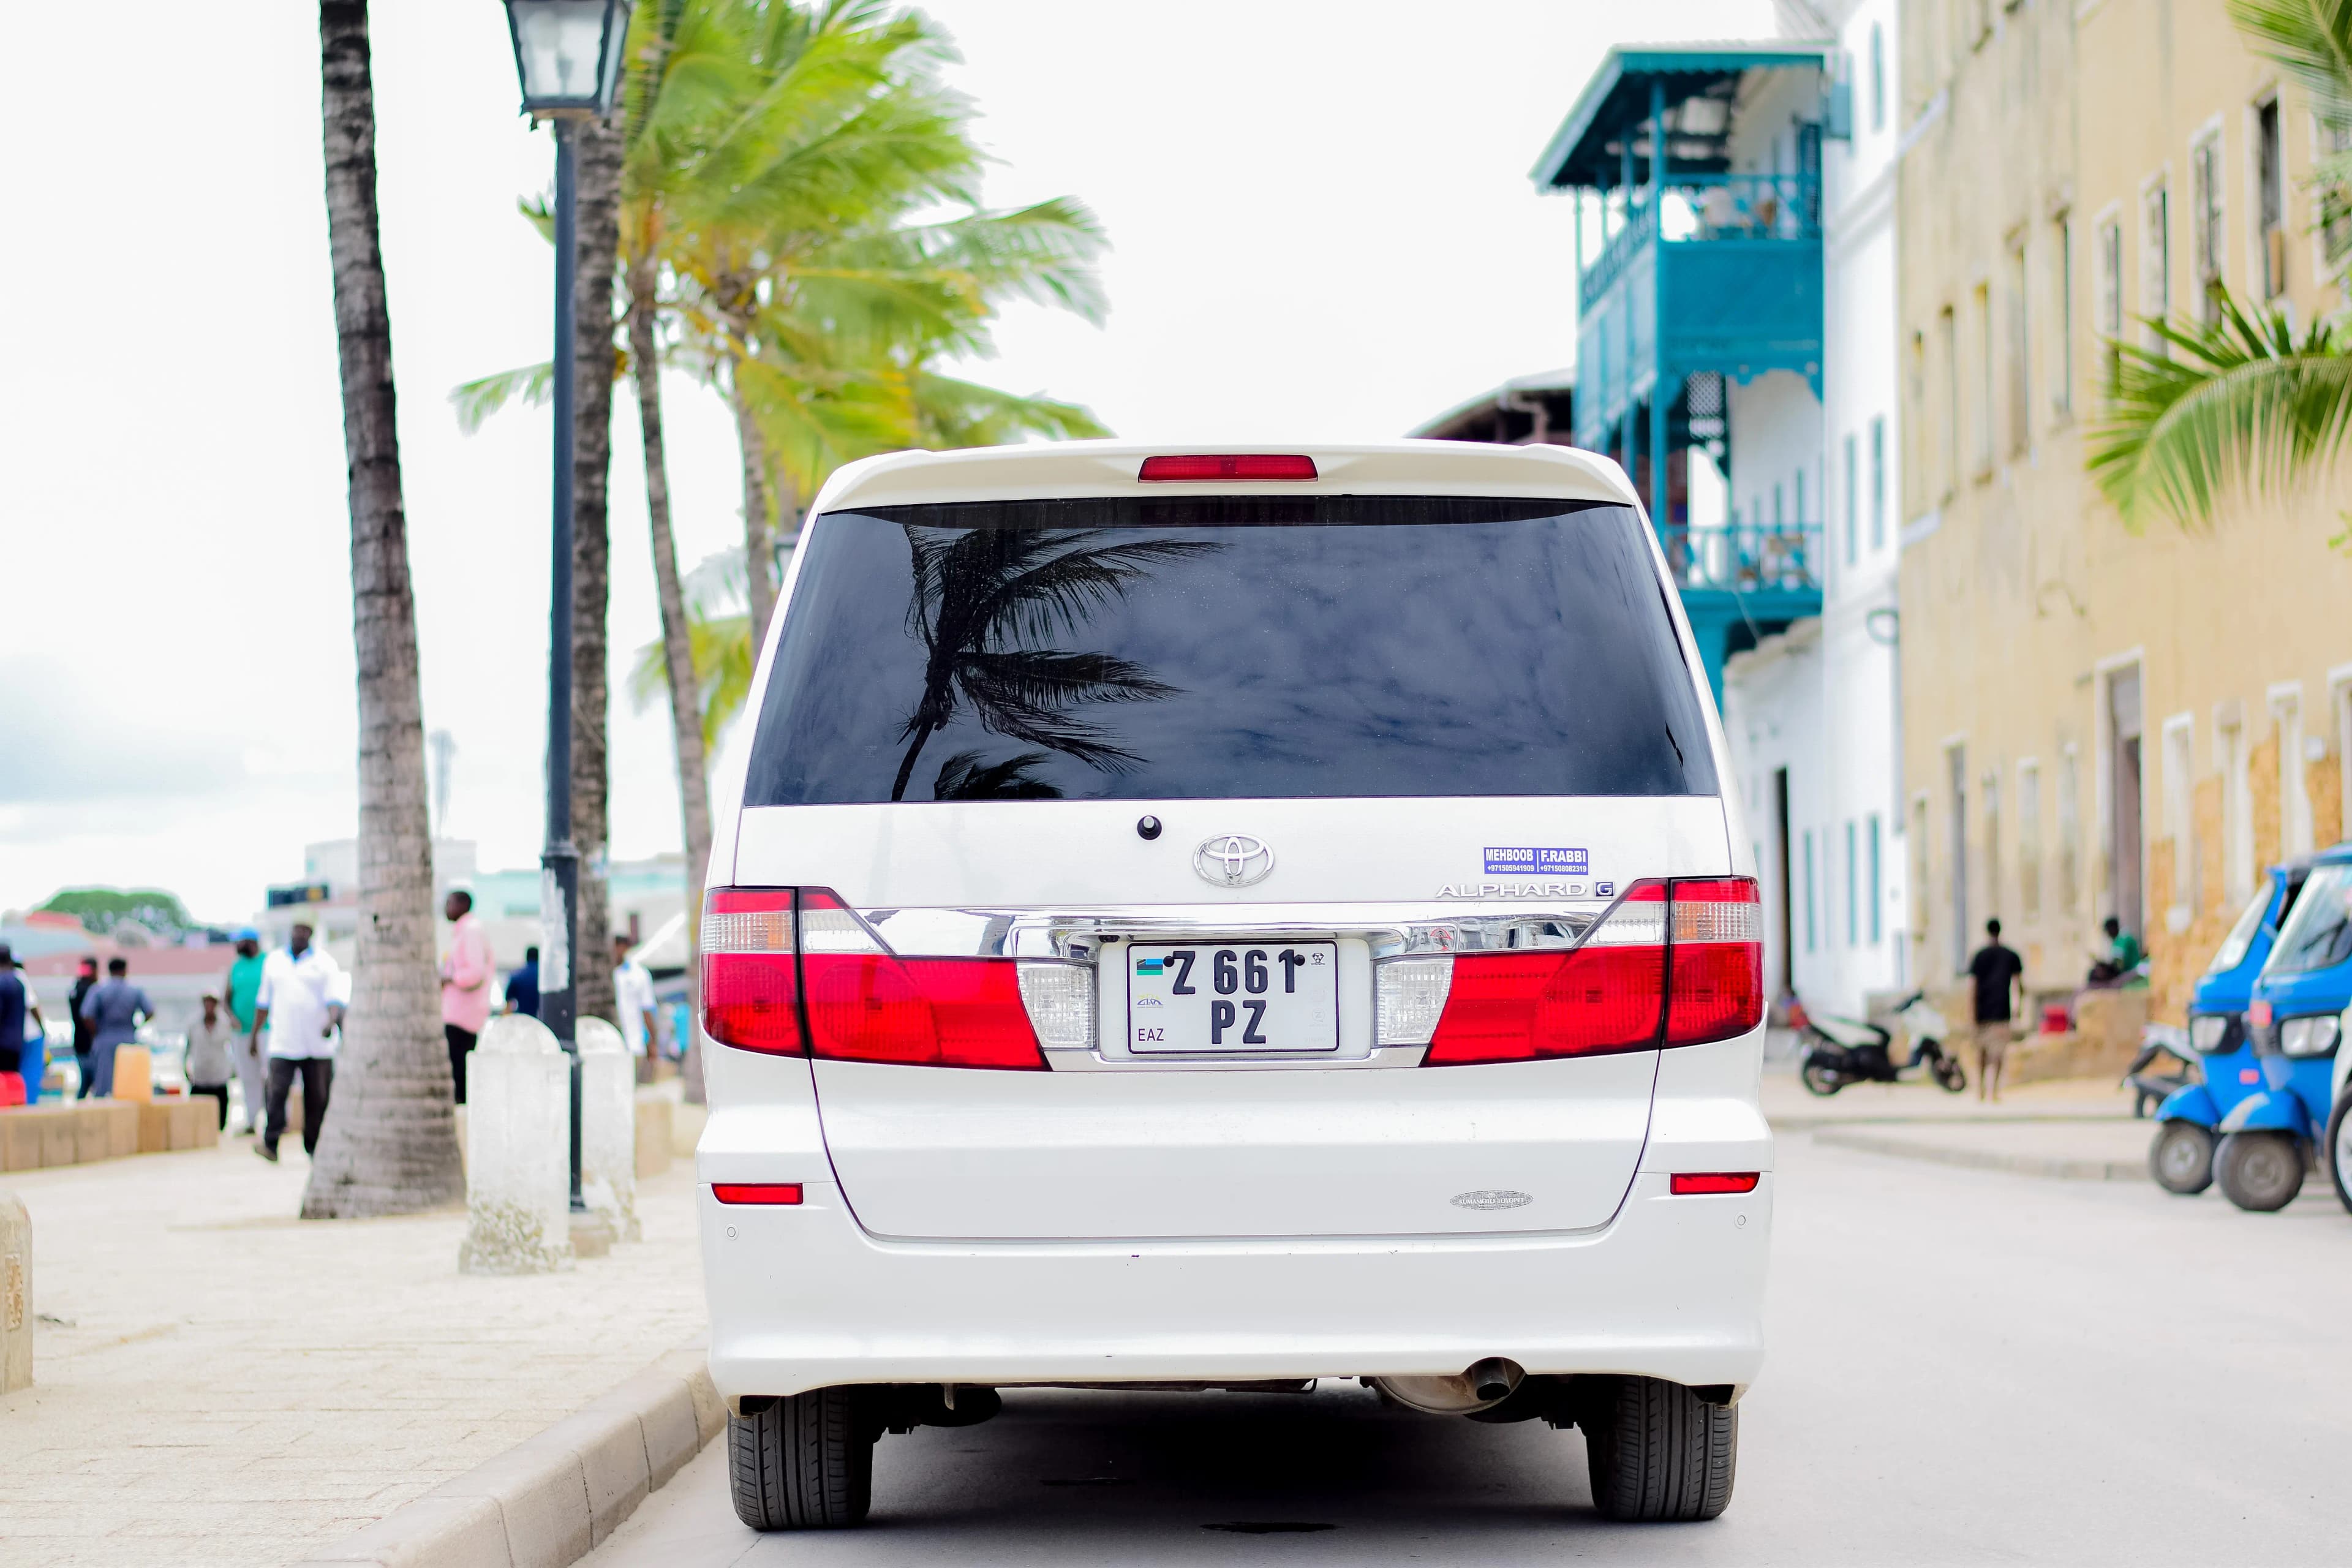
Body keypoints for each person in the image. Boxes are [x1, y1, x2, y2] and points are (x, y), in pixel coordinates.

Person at [251, 921, 344, 1163]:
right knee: (276, 1092)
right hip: (283, 1041)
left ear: (311, 934)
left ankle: (314, 1148)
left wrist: (330, 1022)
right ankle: (270, 1144)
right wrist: (254, 1036)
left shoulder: (325, 963)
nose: (300, 934)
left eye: (305, 930)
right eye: (296, 929)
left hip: (317, 1044)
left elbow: (335, 1000)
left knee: (317, 1099)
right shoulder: (274, 961)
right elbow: (263, 1003)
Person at [439, 889, 496, 1104]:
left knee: (460, 1075)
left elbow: (475, 973)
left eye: (450, 903)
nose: (446, 908)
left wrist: (450, 979)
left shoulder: (471, 930)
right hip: (458, 1014)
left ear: (462, 905)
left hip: (464, 1017)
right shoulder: (464, 931)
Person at [1965, 918, 2027, 1104]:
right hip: (2001, 1010)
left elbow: (1973, 987)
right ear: (2000, 931)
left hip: (1981, 1011)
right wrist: (2018, 1007)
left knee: (1981, 1052)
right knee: (1998, 1053)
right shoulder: (2011, 955)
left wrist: (1971, 1012)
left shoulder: (1979, 956)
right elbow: (2018, 985)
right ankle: (1994, 1090)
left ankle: (1981, 1088)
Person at [79, 957, 155, 1099]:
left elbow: (87, 1015)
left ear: (109, 971)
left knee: (104, 1083)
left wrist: (96, 1032)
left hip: (105, 1038)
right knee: (128, 1083)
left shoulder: (99, 990)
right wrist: (137, 1026)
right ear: (125, 971)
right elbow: (150, 1012)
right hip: (128, 1038)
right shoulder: (134, 991)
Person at [223, 931, 269, 1134]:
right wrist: (232, 1017)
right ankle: (252, 1121)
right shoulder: (235, 967)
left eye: (240, 942)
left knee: (270, 1075)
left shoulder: (267, 963)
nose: (238, 946)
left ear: (251, 942)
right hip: (241, 1032)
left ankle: (276, 1120)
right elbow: (226, 999)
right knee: (248, 1077)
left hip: (266, 1030)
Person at [183, 991, 236, 1131]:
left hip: (219, 1077)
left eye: (212, 1002)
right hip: (200, 1077)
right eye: (207, 1002)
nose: (209, 1006)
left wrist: (233, 1070)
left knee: (220, 1123)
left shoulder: (226, 1024)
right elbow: (187, 1048)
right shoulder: (193, 1024)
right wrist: (185, 1068)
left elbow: (232, 1048)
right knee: (196, 1122)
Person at [612, 934, 658, 1076]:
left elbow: (647, 1009)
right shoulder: (600, 974)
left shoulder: (639, 974)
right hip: (610, 1044)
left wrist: (652, 1042)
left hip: (634, 1043)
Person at [0, 943, 39, 1105]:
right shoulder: (19, 983)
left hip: (2, 1042)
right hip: (16, 1042)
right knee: (14, 1079)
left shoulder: (2, 982)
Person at [2086, 915, 2145, 987]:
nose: (2107, 934)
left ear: (2112, 928)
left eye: (2107, 931)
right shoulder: (2119, 940)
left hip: (2133, 970)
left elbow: (2118, 965)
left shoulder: (2121, 941)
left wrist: (2104, 965)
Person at [69, 956, 98, 1098]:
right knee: (91, 1080)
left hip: (79, 1041)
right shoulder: (90, 991)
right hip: (89, 1042)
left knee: (86, 1081)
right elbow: (88, 1017)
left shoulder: (75, 990)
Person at [505, 946, 541, 1019]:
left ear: (526, 957)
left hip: (523, 1019)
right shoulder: (543, 977)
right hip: (541, 1020)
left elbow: (509, 1005)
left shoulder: (517, 976)